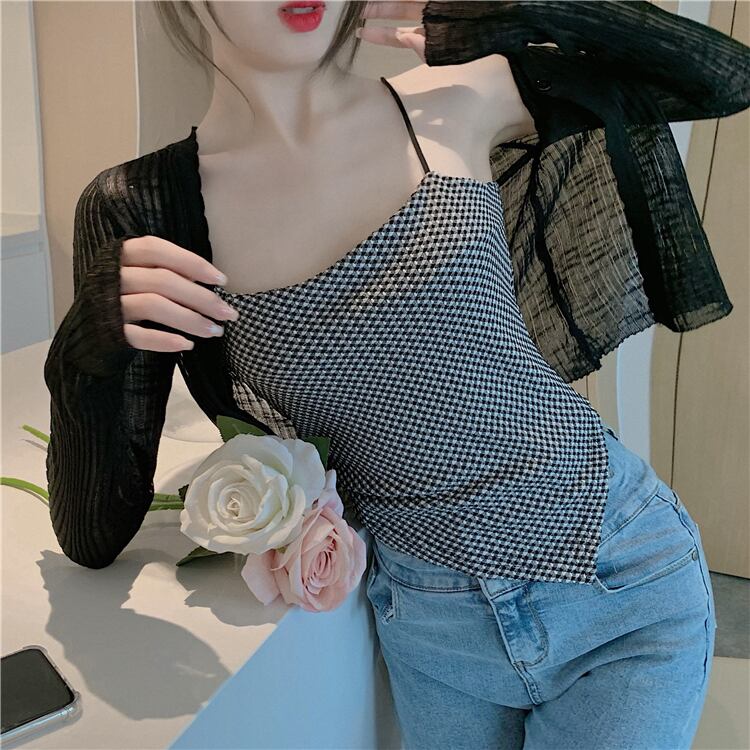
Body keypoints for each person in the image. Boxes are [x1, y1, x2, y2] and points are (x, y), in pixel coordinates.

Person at [44, 2, 749, 747]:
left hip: (618, 577)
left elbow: (723, 78)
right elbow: (92, 535)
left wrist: (504, 12)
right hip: (432, 631)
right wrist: (85, 345)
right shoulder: (144, 207)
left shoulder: (456, 98)